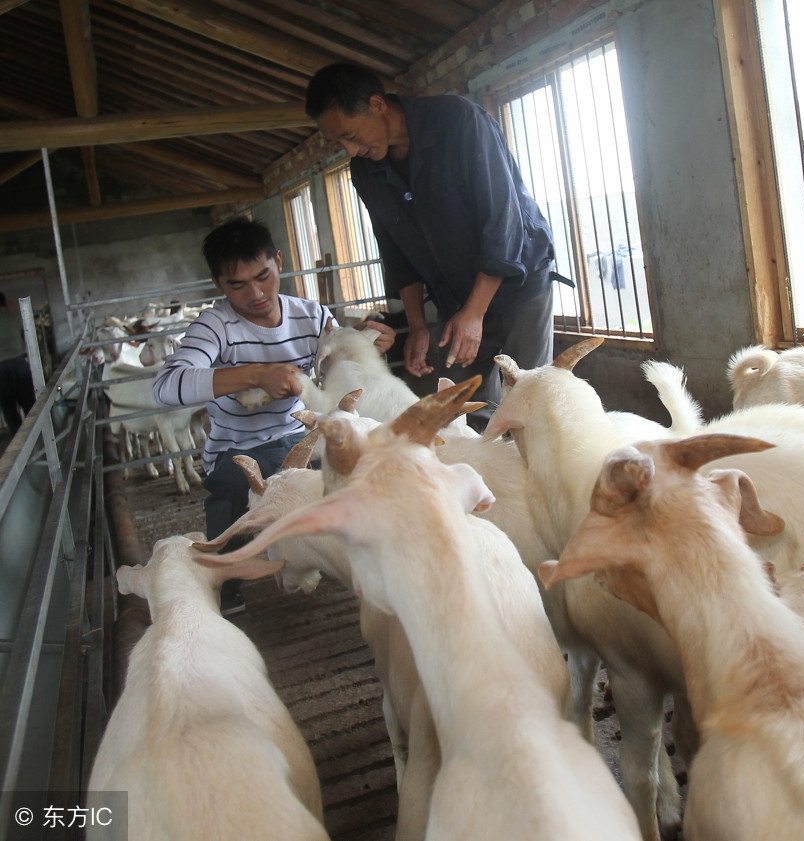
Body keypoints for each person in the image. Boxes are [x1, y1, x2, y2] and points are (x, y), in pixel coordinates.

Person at [153, 218, 393, 615]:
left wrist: (369, 348)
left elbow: (337, 367)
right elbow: (166, 386)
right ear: (218, 284)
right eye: (237, 285)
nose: (256, 294)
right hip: (238, 446)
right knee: (234, 486)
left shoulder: (312, 316)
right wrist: (254, 375)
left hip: (303, 433)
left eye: (263, 276)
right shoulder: (215, 326)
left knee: (363, 468)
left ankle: (367, 560)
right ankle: (223, 578)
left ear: (278, 262)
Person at [305, 63, 566, 424]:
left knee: (529, 402)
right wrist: (417, 326)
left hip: (518, 283)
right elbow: (395, 249)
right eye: (339, 143)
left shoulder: (458, 122)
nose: (350, 149)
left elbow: (502, 219)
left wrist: (474, 313)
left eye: (350, 135)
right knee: (456, 410)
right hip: (454, 298)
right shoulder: (366, 172)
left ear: (377, 105)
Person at [0, 292, 36, 438]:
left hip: (0, 369)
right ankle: (36, 435)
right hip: (19, 364)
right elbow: (25, 336)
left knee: (8, 408)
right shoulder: (15, 317)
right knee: (29, 404)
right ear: (5, 303)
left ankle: (18, 439)